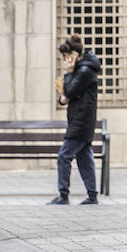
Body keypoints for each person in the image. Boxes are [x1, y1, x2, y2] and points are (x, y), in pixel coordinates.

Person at [49, 35, 101, 206]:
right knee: (84, 158)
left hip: (81, 122)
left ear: (75, 54)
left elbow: (69, 92)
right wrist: (64, 97)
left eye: (66, 57)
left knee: (64, 156)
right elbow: (64, 97)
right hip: (79, 121)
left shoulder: (85, 71)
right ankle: (92, 196)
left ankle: (63, 196)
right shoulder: (83, 69)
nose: (65, 60)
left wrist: (69, 73)